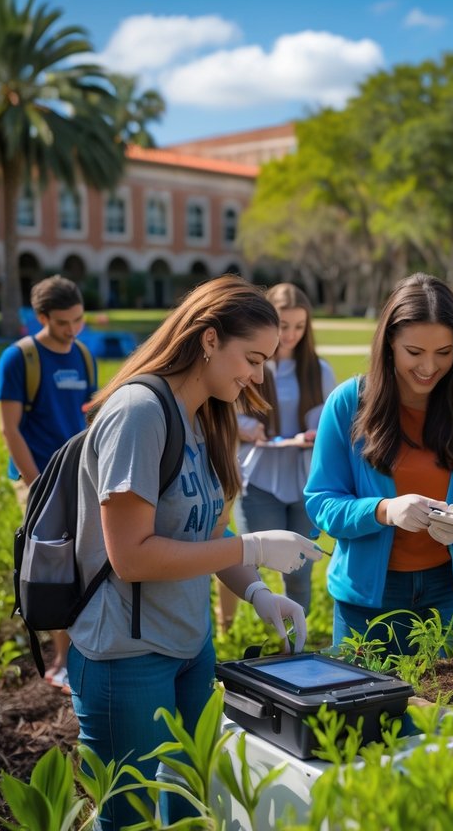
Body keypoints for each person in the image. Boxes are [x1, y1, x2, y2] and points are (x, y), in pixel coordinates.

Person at [66, 275, 324, 830]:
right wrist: (254, 544)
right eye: (252, 358)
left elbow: (208, 535)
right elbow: (131, 556)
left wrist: (256, 590)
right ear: (209, 339)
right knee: (131, 818)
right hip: (125, 656)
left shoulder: (208, 413)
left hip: (190, 645)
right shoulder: (138, 412)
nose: (259, 376)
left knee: (192, 811)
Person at [306, 273, 453, 652]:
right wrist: (383, 510)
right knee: (365, 708)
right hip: (366, 600)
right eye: (414, 353)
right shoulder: (347, 402)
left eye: (444, 353)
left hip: (450, 593)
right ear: (389, 345)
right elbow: (320, 503)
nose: (429, 367)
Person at [0, 275, 96, 693]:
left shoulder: (85, 356)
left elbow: (90, 416)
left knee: (86, 562)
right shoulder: (20, 358)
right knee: (50, 566)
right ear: (40, 318)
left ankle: (87, 650)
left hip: (79, 476)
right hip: (36, 478)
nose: (71, 330)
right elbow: (10, 429)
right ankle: (61, 660)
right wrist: (38, 485)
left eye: (78, 320)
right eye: (62, 323)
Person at [232, 283, 337, 619]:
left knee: (299, 571)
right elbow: (224, 413)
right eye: (283, 325)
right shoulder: (251, 365)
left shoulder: (319, 370)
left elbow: (330, 422)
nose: (290, 335)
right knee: (252, 568)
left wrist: (317, 432)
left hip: (304, 482)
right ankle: (250, 643)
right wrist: (243, 427)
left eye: (299, 326)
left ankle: (294, 650)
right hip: (260, 479)